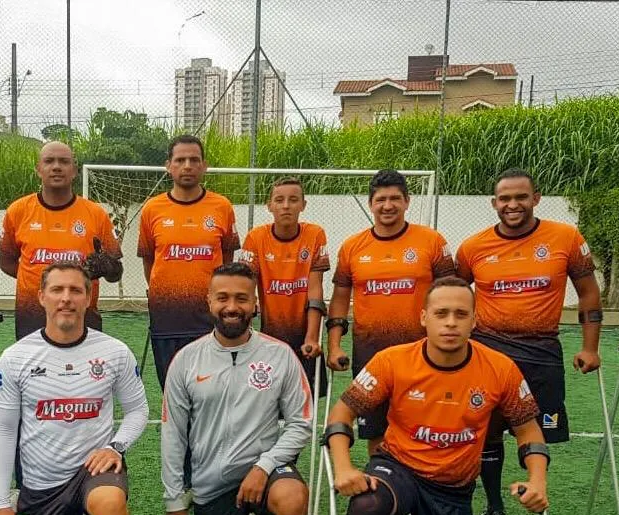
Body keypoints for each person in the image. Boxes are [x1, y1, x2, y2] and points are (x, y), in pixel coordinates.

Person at [323, 276, 550, 515]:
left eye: (460, 314)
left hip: (453, 486)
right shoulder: (393, 360)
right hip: (399, 468)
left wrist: (537, 481)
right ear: (423, 317)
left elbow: (529, 430)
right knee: (366, 504)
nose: (450, 323)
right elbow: (342, 414)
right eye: (441, 313)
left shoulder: (500, 369)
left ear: (474, 321)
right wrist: (344, 467)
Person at [0, 262, 150, 515]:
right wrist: (1, 501)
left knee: (109, 504)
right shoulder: (16, 357)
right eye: (58, 290)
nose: (66, 298)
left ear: (89, 297)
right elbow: (4, 430)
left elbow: (139, 410)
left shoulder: (113, 352)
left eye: (76, 290)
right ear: (41, 296)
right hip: (44, 480)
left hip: (93, 468)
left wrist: (115, 446)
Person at [161, 263, 314, 515]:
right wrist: (175, 504)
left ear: (255, 304)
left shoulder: (279, 356)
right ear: (210, 301)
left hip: (266, 473)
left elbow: (301, 424)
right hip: (213, 483)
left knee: (294, 499)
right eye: (224, 297)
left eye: (242, 298)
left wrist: (264, 465)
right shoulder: (186, 360)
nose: (233, 306)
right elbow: (173, 436)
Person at [455, 168, 603, 515]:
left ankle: (534, 489)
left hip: (542, 354)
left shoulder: (564, 238)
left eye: (521, 197)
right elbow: (454, 295)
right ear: (494, 204)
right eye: (504, 199)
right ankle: (493, 505)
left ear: (536, 198)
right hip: (489, 354)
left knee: (538, 431)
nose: (513, 205)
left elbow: (588, 293)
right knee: (486, 434)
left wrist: (590, 347)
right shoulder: (473, 247)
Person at [325, 169, 456, 454]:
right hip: (371, 353)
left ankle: (427, 478)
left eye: (395, 198)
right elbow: (338, 300)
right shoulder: (352, 247)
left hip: (423, 353)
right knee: (377, 431)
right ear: (371, 203)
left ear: (407, 201)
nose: (388, 205)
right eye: (381, 199)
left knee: (428, 425)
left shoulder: (432, 241)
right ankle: (383, 479)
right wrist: (334, 346)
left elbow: (453, 294)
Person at [138, 135, 240, 388]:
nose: (187, 166)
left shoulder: (222, 207)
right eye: (180, 160)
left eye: (194, 160)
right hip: (167, 319)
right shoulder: (152, 209)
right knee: (173, 392)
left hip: (210, 320)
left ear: (204, 165)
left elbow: (227, 260)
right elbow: (149, 260)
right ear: (168, 165)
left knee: (214, 392)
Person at [0, 140, 123, 339]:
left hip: (83, 320)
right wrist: (41, 284)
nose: (56, 167)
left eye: (64, 162)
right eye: (49, 161)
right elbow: (6, 262)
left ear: (74, 170)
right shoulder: (18, 211)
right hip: (31, 318)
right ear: (38, 169)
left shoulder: (96, 214)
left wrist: (106, 267)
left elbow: (115, 273)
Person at [237, 176, 331, 396]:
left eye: (293, 199)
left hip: (304, 337)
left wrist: (311, 336)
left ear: (303, 205)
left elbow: (315, 289)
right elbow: (246, 289)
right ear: (269, 205)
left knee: (307, 402)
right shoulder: (256, 237)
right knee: (267, 401)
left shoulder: (315, 234)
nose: (286, 205)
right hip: (269, 338)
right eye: (279, 200)